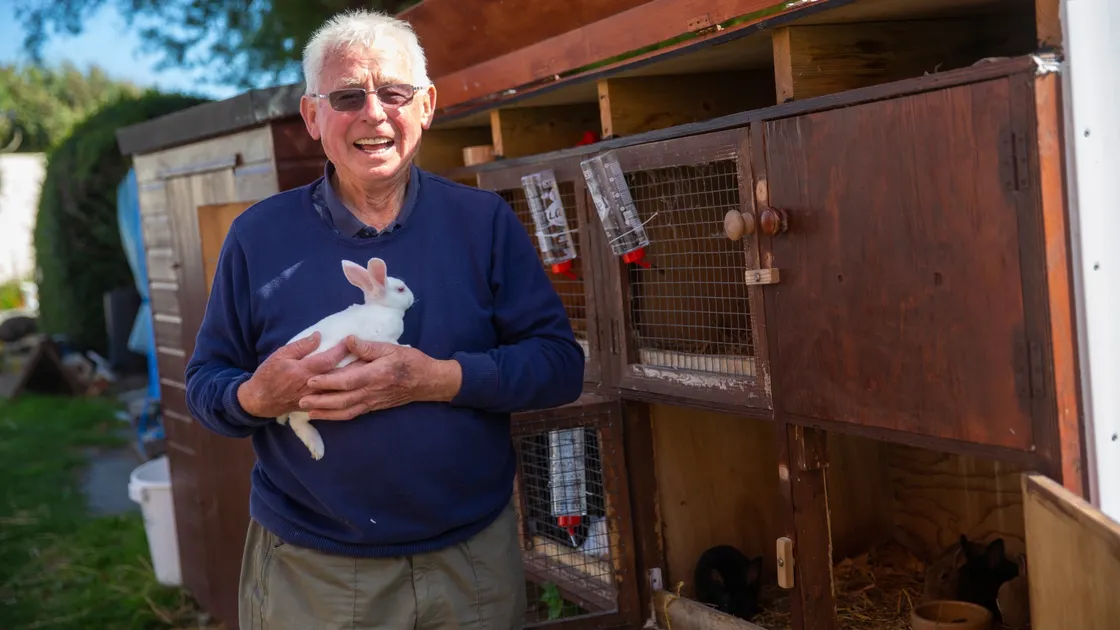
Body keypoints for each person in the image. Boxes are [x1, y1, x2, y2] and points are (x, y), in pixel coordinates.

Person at [183, 8, 585, 629]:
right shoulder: (257, 237)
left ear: (425, 106)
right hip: (314, 570)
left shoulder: (483, 224)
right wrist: (256, 396)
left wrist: (438, 378)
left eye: (393, 92)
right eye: (347, 96)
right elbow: (206, 384)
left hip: (470, 560)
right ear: (313, 116)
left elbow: (560, 366)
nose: (374, 113)